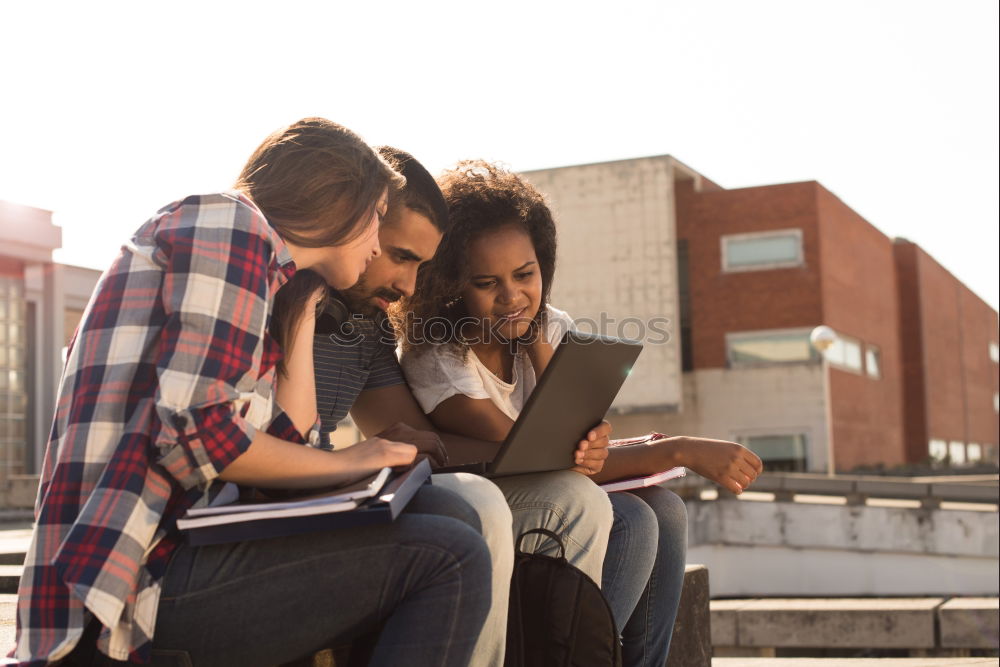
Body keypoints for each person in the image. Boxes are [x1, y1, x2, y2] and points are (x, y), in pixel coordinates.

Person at [10, 119, 491, 667]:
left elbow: (291, 441)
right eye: (378, 219)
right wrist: (361, 455)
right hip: (127, 577)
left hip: (179, 552)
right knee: (450, 557)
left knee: (449, 510)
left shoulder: (269, 278)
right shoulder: (227, 223)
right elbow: (196, 436)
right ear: (340, 198)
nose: (379, 244)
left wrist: (307, 296)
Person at [397, 160, 764, 666]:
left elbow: (577, 443)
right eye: (487, 283)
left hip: (550, 484)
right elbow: (546, 454)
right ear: (453, 284)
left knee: (666, 510)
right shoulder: (438, 356)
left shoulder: (549, 325)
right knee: (633, 519)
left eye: (526, 275)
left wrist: (537, 345)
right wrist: (678, 448)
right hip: (497, 497)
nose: (512, 297)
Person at [310, 146, 615, 667]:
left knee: (645, 512)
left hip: (349, 496)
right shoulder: (291, 302)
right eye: (401, 257)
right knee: (522, 501)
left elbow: (415, 442)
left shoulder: (365, 325)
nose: (408, 285)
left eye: (419, 265)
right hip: (306, 511)